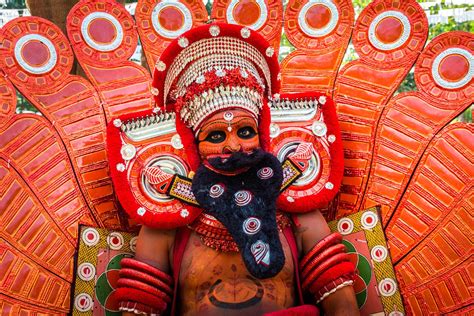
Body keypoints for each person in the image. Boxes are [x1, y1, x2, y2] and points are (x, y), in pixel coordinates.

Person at [115, 23, 359, 316]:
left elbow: (342, 304)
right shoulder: (166, 225)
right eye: (216, 136)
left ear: (263, 136)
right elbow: (138, 309)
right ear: (193, 145)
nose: (233, 146)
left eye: (245, 131)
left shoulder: (298, 212)